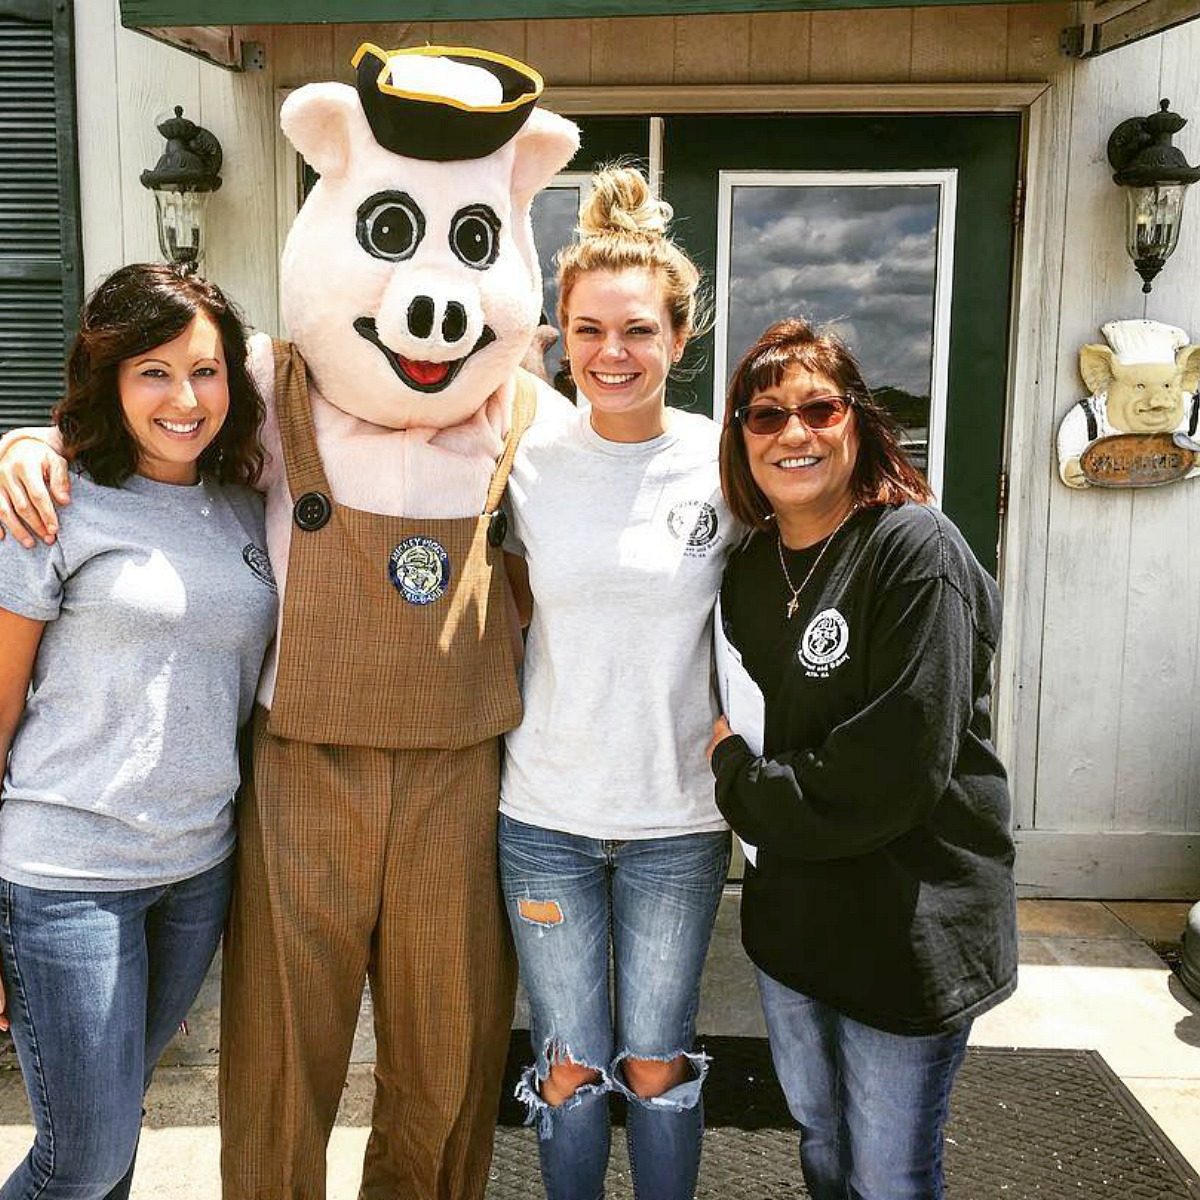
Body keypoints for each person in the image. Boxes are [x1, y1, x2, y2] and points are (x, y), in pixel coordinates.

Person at [707, 317, 1017, 1200]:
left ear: (859, 422)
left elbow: (894, 773)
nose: (794, 433)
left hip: (906, 923)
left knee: (889, 1174)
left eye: (819, 408)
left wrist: (740, 783)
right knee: (822, 1141)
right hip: (796, 924)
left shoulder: (914, 550)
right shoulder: (752, 568)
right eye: (765, 417)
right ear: (741, 439)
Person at [0, 263, 276, 1200]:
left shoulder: (248, 504)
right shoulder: (54, 504)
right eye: (152, 371)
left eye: (204, 371)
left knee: (113, 1136)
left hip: (197, 873)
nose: (183, 397)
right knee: (80, 1162)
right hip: (66, 877)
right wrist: (28, 442)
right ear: (109, 380)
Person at [499, 165, 732, 1200]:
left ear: (680, 339)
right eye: (589, 331)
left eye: (638, 330)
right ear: (560, 336)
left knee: (653, 1062)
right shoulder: (525, 446)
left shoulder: (730, 463)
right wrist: (40, 440)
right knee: (568, 1066)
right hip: (544, 809)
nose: (614, 353)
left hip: (677, 816)